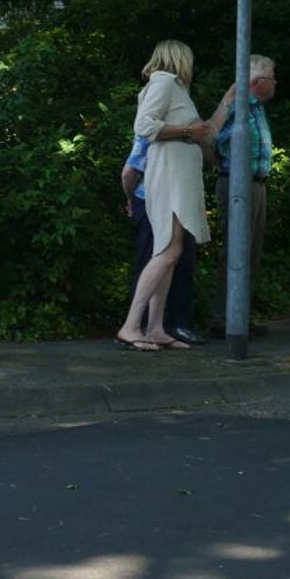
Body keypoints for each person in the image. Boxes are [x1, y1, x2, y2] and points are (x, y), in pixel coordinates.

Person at [117, 39, 213, 352]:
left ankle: (155, 327)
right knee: (167, 252)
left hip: (176, 175)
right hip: (170, 175)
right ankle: (131, 325)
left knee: (169, 252)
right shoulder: (165, 82)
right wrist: (187, 132)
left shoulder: (173, 88)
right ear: (180, 59)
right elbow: (144, 125)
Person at [207, 55, 278, 336]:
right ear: (258, 82)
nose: (276, 83)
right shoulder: (236, 105)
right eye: (272, 77)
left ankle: (239, 316)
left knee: (251, 252)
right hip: (239, 185)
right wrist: (219, 166)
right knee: (235, 251)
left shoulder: (256, 107)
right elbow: (210, 136)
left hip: (256, 184)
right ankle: (224, 319)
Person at [121, 137, 204, 345]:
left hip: (174, 201)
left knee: (173, 261)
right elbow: (129, 171)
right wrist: (131, 199)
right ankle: (134, 327)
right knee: (158, 260)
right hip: (151, 201)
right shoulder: (151, 130)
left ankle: (155, 328)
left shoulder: (180, 131)